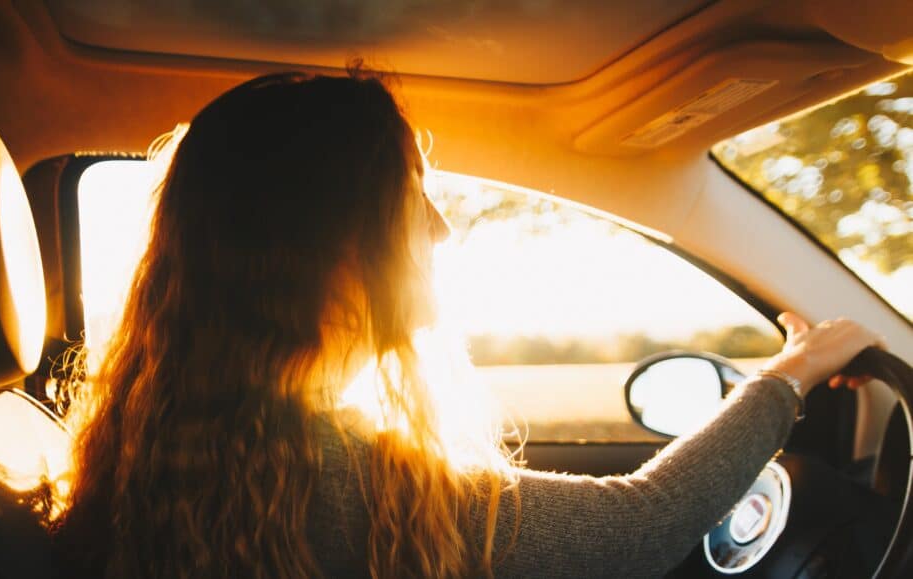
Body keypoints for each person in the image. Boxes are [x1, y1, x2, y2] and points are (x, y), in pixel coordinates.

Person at [51, 69, 885, 579]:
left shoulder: (165, 445)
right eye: (410, 206)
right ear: (325, 249)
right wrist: (790, 374)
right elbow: (643, 523)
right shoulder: (333, 478)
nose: (441, 232)